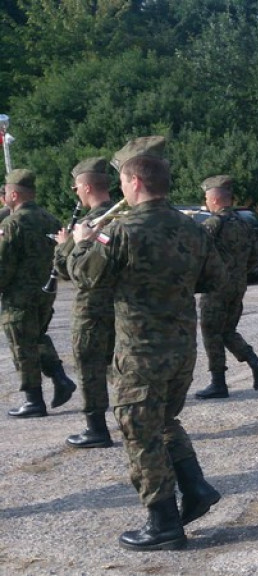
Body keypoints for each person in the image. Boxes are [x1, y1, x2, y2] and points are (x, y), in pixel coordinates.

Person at [68, 136, 226, 550]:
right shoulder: (192, 227)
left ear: (135, 181)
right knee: (164, 422)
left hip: (140, 353)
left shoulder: (122, 231)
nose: (120, 189)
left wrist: (81, 241)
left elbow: (84, 277)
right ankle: (195, 489)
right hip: (180, 349)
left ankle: (163, 523)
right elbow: (214, 279)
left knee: (139, 433)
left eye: (122, 181)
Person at [1, 168, 77, 418]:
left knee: (22, 344)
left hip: (19, 295)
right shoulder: (51, 219)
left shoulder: (12, 224)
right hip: (46, 291)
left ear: (13, 194)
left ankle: (34, 400)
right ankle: (59, 377)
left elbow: (4, 263)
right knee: (37, 337)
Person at [52, 158, 116, 446]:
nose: (74, 191)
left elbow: (66, 268)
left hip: (91, 307)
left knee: (89, 366)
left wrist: (66, 242)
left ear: (87, 187)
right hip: (122, 306)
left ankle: (96, 428)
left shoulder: (90, 222)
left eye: (76, 186)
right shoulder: (123, 216)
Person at [193, 175, 258, 399]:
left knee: (211, 333)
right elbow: (255, 257)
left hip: (215, 287)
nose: (206, 202)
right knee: (227, 330)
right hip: (238, 286)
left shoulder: (213, 223)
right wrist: (238, 274)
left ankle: (218, 382)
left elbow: (196, 252)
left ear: (215, 199)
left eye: (207, 197)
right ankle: (256, 363)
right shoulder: (244, 222)